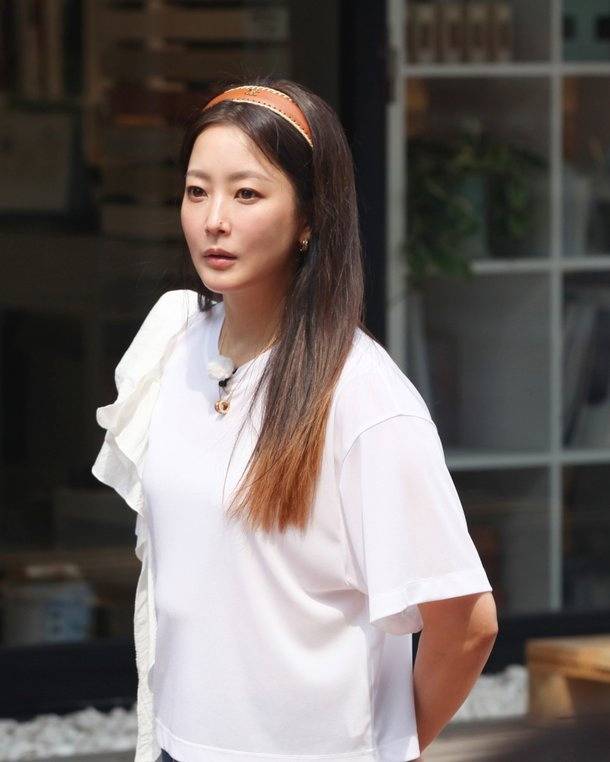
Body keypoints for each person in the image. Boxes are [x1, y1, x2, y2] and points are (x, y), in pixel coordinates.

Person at [91, 76, 498, 762]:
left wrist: (389, 748)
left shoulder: (363, 398)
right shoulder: (174, 343)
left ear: (310, 217)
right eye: (197, 191)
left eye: (247, 194)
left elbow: (466, 623)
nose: (214, 219)